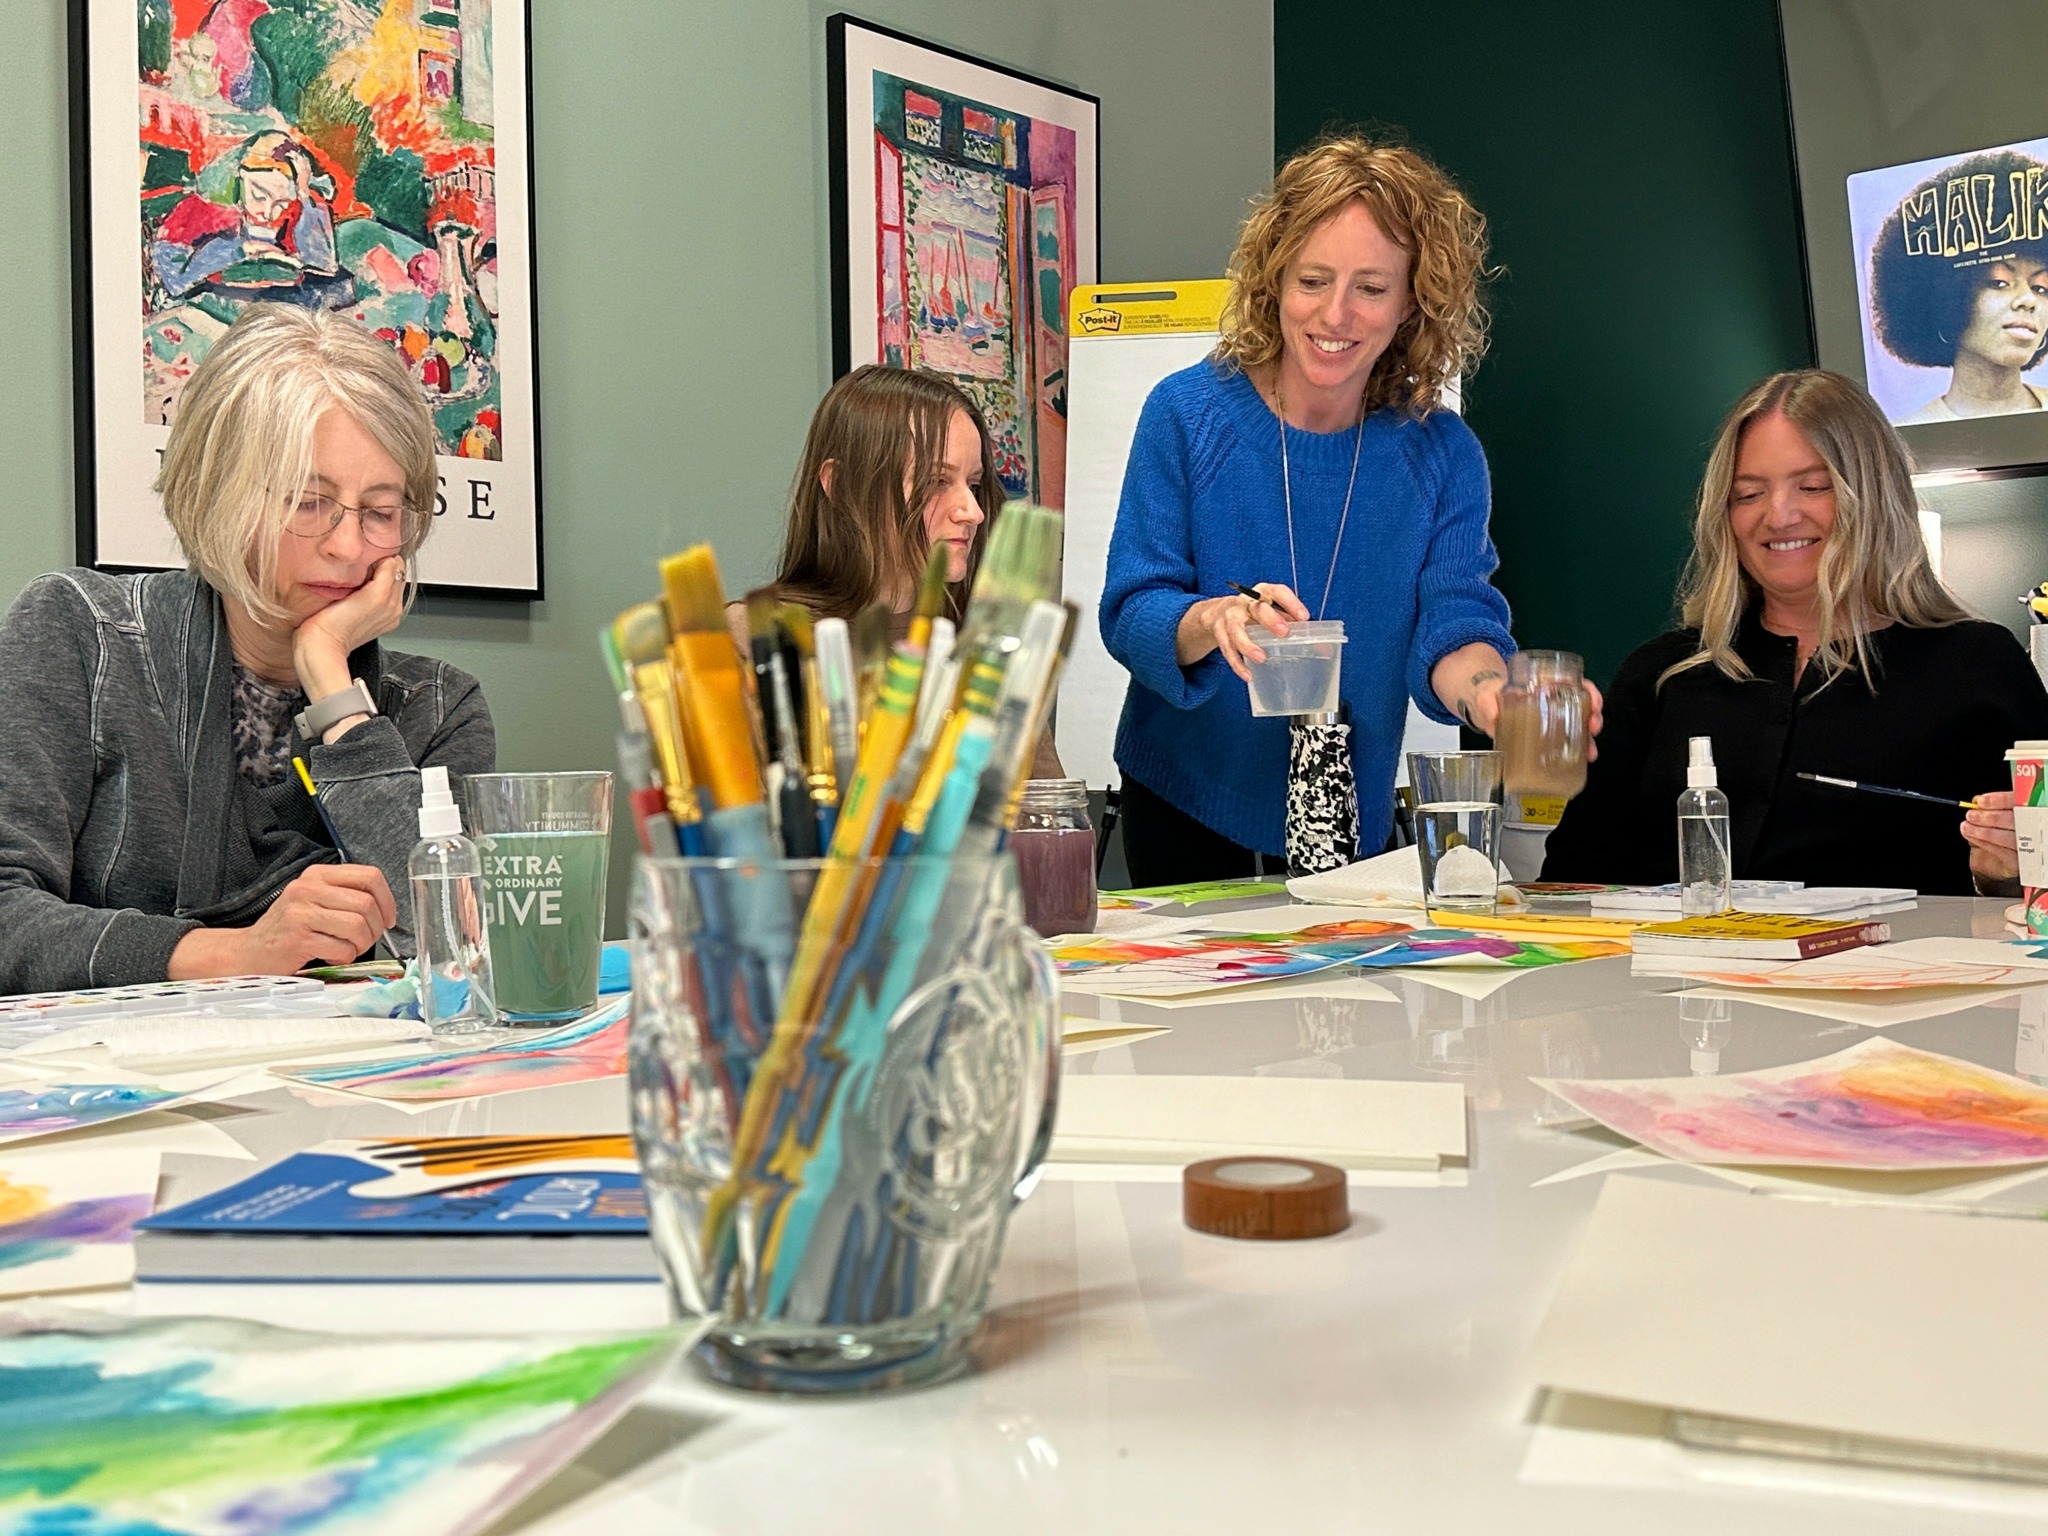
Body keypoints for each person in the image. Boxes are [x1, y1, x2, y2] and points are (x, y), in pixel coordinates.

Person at [1098, 133, 1589, 885]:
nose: (1336, 314)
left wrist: (1495, 699)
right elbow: (1133, 610)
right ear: (1274, 279)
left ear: (1413, 300)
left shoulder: (1443, 455)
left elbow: (1456, 621)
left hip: (1350, 822)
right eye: (1313, 280)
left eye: (1371, 288)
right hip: (1185, 807)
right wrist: (1214, 619)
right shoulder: (1187, 415)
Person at [0, 304, 495, 993]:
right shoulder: (82, 633)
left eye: (381, 512)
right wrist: (238, 952)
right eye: (308, 501)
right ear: (218, 493)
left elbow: (452, 943)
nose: (348, 546)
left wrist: (330, 679)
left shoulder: (439, 708)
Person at [1542, 368, 2048, 895]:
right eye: (1748, 494)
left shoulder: (1977, 665)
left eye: (1812, 487)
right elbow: (1570, 881)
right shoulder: (1661, 675)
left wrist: (2006, 870)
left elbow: (2029, 887)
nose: (1778, 515)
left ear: (1874, 496)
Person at [729, 363, 1062, 772]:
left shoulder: (988, 648)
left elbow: (1046, 807)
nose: (972, 512)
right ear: (841, 485)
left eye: (973, 485)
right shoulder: (752, 639)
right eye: (935, 481)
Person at [1870, 149, 2048, 424]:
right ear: (1945, 299)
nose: (2027, 299)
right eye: (1999, 282)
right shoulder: (1908, 432)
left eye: (2041, 288)